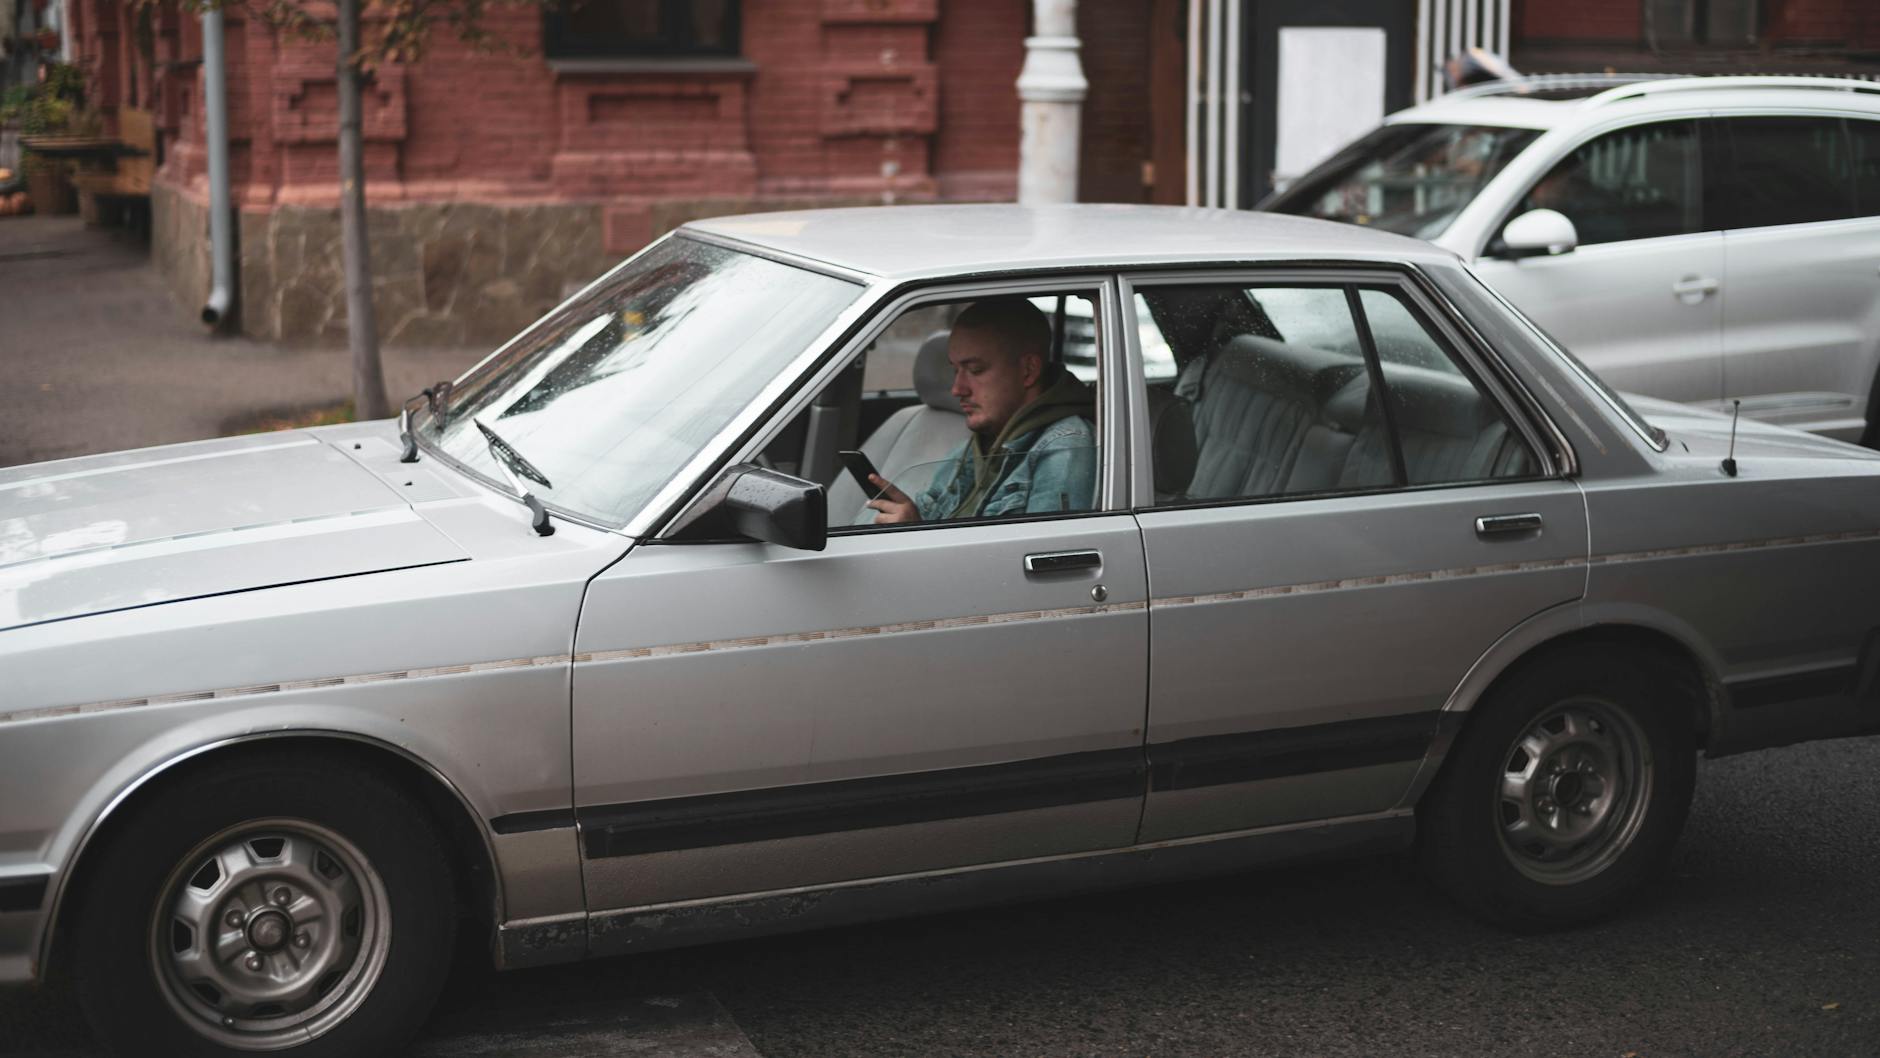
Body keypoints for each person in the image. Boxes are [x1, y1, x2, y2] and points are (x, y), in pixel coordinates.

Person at [867, 299, 1096, 524]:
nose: (957, 389)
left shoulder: (1064, 449)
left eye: (975, 370)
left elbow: (1038, 556)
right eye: (955, 370)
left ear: (1028, 370)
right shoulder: (979, 444)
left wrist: (914, 535)